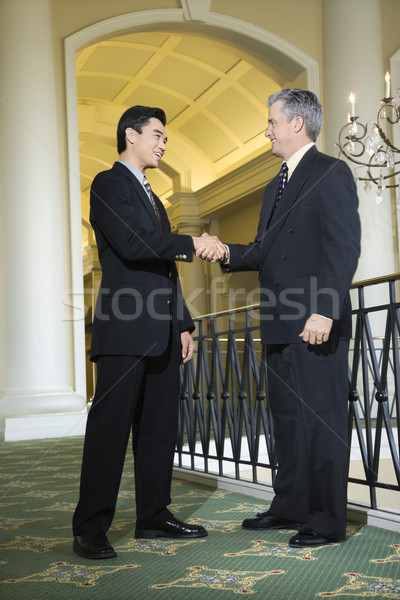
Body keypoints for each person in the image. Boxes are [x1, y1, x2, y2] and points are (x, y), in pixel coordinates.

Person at [198, 89, 361, 547]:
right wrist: (225, 250)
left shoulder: (331, 172)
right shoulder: (275, 184)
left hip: (314, 322)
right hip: (278, 321)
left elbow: (343, 248)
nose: (266, 130)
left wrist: (325, 311)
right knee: (287, 420)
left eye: (271, 122)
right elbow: (262, 250)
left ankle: (328, 522)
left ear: (296, 124)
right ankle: (289, 506)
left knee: (322, 419)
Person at [72, 105, 225, 559]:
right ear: (130, 135)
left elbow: (164, 271)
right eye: (157, 134)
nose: (162, 143)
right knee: (110, 431)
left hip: (162, 330)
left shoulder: (154, 197)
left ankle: (154, 517)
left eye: (165, 137)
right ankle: (90, 527)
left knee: (160, 429)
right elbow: (133, 243)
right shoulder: (108, 183)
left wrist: (183, 324)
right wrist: (192, 242)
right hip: (124, 329)